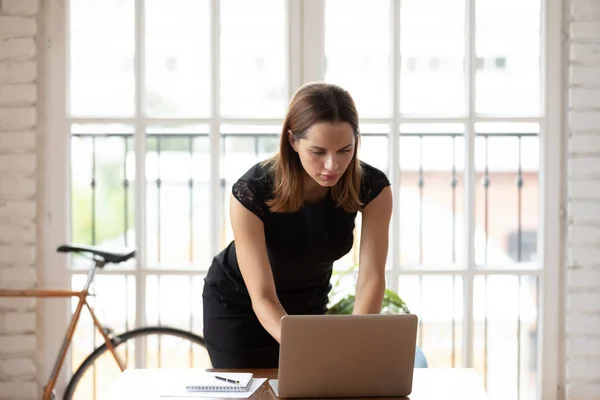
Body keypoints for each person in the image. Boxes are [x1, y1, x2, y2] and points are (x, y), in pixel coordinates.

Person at [202, 82, 393, 368]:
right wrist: (305, 346)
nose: (332, 165)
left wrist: (356, 345)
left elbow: (371, 279)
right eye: (318, 151)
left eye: (345, 150)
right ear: (293, 142)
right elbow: (263, 296)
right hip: (240, 306)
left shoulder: (373, 188)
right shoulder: (251, 192)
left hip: (308, 303)